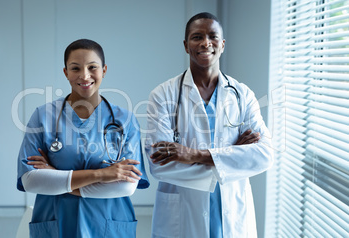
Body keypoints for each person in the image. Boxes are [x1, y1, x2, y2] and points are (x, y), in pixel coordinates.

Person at [145, 12, 273, 238]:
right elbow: (159, 165)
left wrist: (193, 154)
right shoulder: (163, 95)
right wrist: (231, 157)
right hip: (183, 216)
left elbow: (264, 155)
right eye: (197, 37)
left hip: (233, 216)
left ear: (222, 45)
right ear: (186, 45)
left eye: (213, 36)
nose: (206, 43)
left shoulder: (242, 94)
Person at [17, 39, 149, 238]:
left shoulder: (125, 120)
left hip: (108, 224)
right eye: (75, 68)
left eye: (92, 67)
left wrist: (56, 176)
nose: (84, 75)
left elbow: (126, 185)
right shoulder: (43, 116)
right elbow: (31, 180)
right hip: (56, 222)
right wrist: (102, 175)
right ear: (66, 72)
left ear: (104, 70)